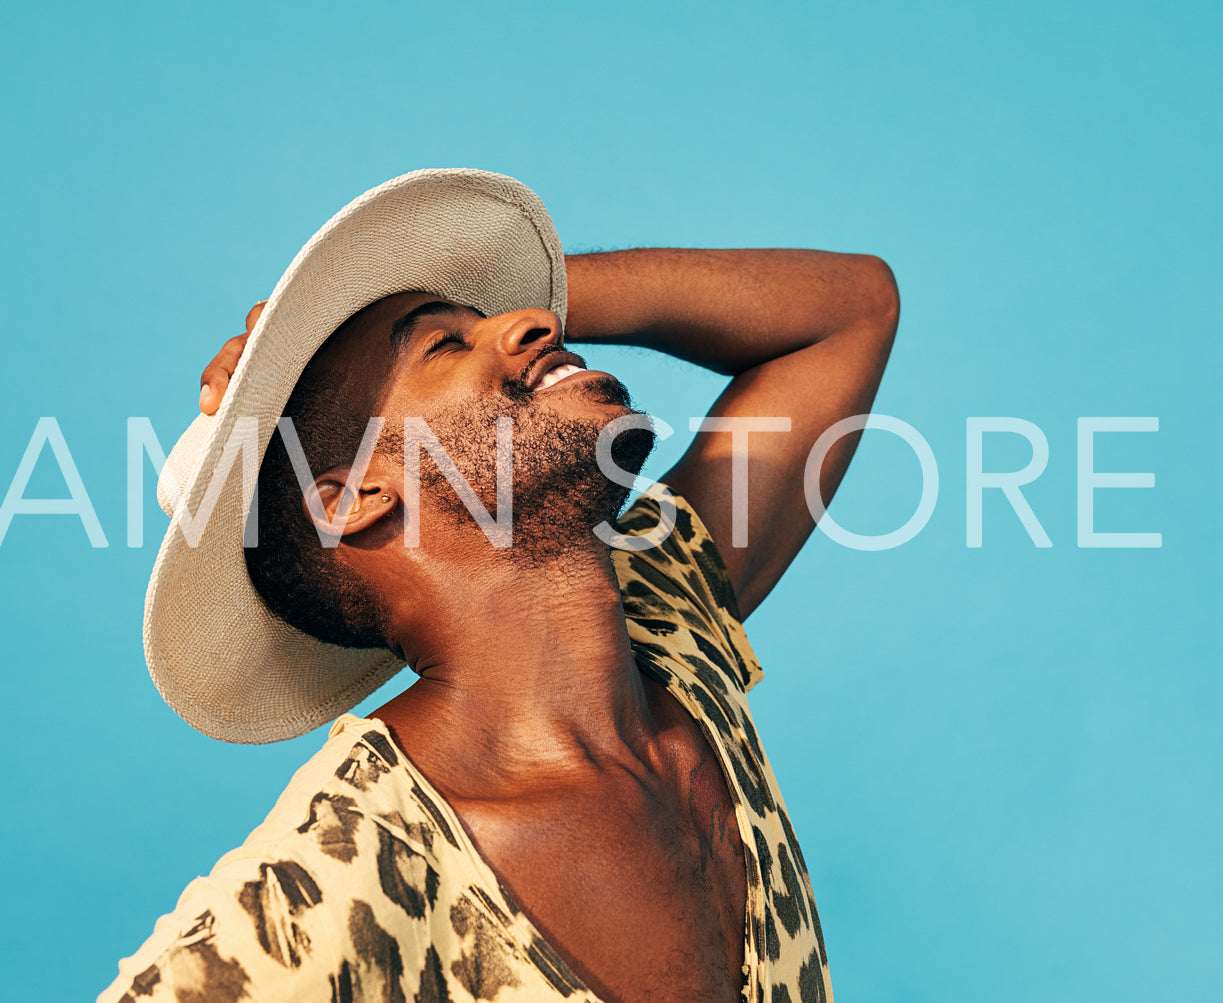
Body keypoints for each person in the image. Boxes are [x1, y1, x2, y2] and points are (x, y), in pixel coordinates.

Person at [102, 169, 897, 1003]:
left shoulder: (670, 632)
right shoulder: (337, 880)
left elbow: (849, 310)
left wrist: (524, 291)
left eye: (504, 313)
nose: (535, 320)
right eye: (444, 344)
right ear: (357, 496)